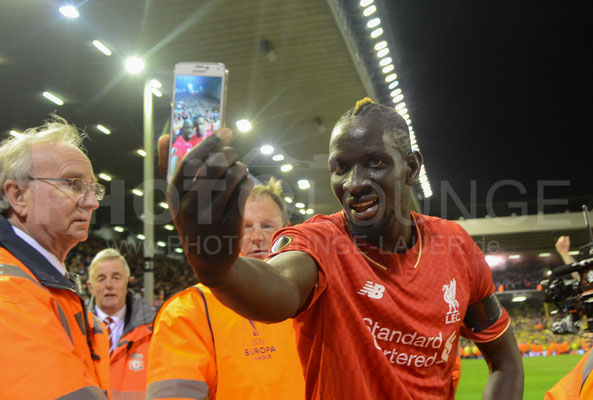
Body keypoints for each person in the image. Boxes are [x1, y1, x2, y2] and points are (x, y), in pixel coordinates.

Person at [160, 97, 524, 399]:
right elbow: (280, 287)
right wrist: (217, 266)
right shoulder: (321, 240)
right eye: (340, 168)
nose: (354, 183)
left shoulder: (454, 246)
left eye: (374, 163)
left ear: (411, 168)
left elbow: (505, 357)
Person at [146, 178, 304, 400]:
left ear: (286, 229)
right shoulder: (188, 311)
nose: (257, 237)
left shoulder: (313, 297)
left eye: (267, 226)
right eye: (245, 227)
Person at [0, 116, 110, 399]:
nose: (92, 202)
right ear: (18, 195)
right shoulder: (9, 291)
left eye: (93, 188)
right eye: (73, 184)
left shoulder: (42, 281)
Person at [87, 248, 155, 400]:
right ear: (90, 287)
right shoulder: (74, 330)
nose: (109, 285)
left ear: (128, 283)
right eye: (101, 278)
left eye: (116, 278)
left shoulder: (154, 331)